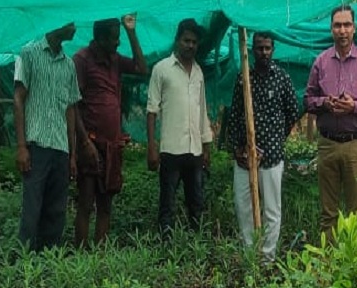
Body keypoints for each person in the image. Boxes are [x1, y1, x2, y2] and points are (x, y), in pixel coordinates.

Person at [304, 5, 357, 243]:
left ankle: (355, 266)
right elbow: (307, 100)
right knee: (328, 212)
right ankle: (329, 265)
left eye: (347, 25)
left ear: (354, 28)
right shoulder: (320, 61)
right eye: (337, 25)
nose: (342, 30)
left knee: (356, 211)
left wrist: (355, 107)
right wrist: (325, 103)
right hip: (327, 144)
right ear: (331, 29)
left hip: (354, 145)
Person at [72, 14, 147, 247]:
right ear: (101, 38)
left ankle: (100, 255)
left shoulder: (114, 59)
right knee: (86, 201)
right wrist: (84, 143)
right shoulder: (82, 60)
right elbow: (72, 104)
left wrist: (131, 32)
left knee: (106, 203)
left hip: (112, 144)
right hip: (91, 142)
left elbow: (141, 68)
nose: (118, 43)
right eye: (114, 38)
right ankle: (81, 254)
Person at [227, 31, 302, 262]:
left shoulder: (281, 78)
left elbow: (292, 112)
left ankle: (267, 258)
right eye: (259, 48)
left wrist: (275, 140)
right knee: (244, 207)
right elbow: (236, 115)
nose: (264, 52)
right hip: (244, 157)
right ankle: (250, 253)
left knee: (271, 209)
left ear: (273, 49)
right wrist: (238, 148)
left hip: (271, 157)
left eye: (268, 48)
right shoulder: (244, 78)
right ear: (252, 50)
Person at [13, 21, 81, 251]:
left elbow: (70, 109)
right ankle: (24, 264)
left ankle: (48, 264)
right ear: (58, 21)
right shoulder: (29, 53)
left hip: (60, 148)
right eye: (71, 22)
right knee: (32, 209)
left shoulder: (69, 65)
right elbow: (19, 98)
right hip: (37, 146)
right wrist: (22, 146)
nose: (75, 27)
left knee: (56, 211)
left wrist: (72, 155)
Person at [147, 19, 213, 234]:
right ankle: (166, 247)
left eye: (194, 42)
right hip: (170, 150)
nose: (190, 45)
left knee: (196, 203)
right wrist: (151, 146)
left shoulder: (199, 72)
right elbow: (152, 110)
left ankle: (195, 246)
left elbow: (202, 110)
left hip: (194, 150)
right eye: (186, 40)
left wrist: (206, 147)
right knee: (167, 204)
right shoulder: (162, 69)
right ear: (177, 41)